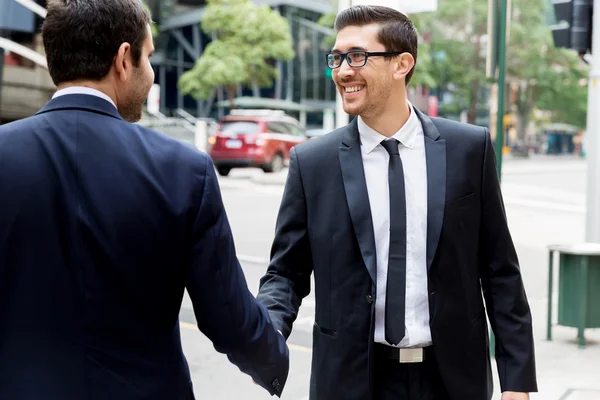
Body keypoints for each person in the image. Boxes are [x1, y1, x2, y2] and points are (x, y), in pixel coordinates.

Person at [0, 0, 288, 399]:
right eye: (149, 57)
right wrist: (274, 358)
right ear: (123, 59)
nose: (151, 73)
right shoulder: (184, 169)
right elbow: (229, 319)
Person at [257, 5, 537, 400]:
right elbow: (286, 273)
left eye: (357, 56)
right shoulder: (312, 162)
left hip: (453, 379)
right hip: (352, 380)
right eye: (337, 58)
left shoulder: (468, 149)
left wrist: (517, 381)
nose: (342, 71)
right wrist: (263, 334)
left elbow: (500, 270)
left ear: (401, 64)